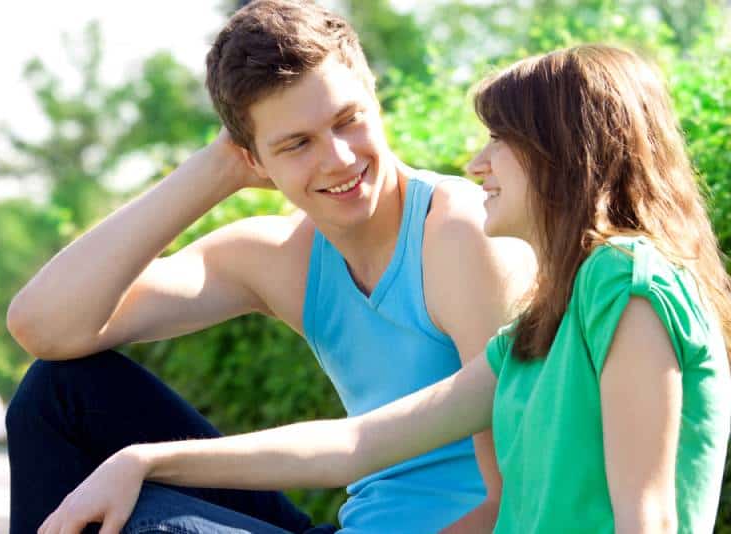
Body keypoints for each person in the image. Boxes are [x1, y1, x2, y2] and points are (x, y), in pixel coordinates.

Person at [37, 44, 731, 534]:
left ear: (565, 152)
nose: (474, 160)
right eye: (295, 142)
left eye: (499, 138)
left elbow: (646, 520)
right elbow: (358, 445)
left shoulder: (623, 282)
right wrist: (141, 459)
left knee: (157, 529)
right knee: (67, 410)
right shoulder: (547, 321)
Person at [5, 1, 534, 533]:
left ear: (374, 95)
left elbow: (519, 495)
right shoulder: (281, 258)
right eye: (297, 143)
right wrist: (215, 170)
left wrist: (142, 464)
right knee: (57, 393)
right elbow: (44, 326)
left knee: (157, 527)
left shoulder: (460, 235)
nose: (339, 159)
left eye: (348, 121)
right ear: (253, 159)